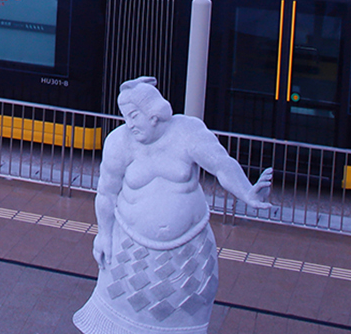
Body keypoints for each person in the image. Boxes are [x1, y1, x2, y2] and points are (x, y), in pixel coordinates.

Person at [73, 77, 273, 334]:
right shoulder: (119, 142)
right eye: (126, 117)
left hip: (190, 255)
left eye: (134, 115)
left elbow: (220, 164)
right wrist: (103, 234)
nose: (129, 124)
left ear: (153, 113)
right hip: (130, 253)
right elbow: (107, 193)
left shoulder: (187, 132)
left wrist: (248, 192)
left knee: (183, 322)